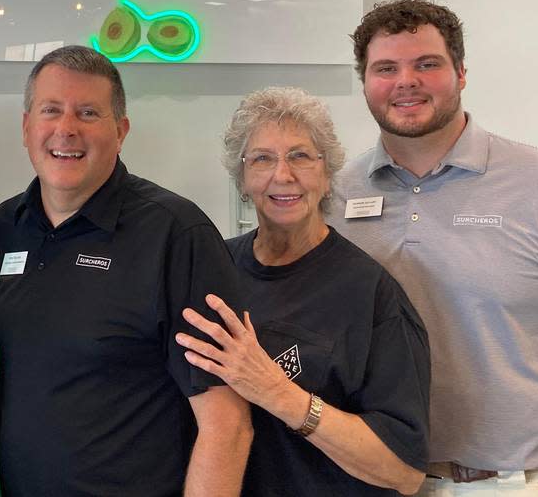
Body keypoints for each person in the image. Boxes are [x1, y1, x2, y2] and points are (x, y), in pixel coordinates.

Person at [331, 0, 538, 496]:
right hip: (380, 480)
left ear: (462, 73)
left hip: (526, 482)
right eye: (386, 68)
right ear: (364, 82)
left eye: (426, 64)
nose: (406, 81)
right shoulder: (336, 195)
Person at [0, 45, 252, 497]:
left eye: (88, 113)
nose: (66, 129)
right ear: (27, 127)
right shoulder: (4, 228)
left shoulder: (177, 235)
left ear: (121, 130)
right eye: (52, 110)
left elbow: (228, 422)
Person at [176, 87, 430, 496]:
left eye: (300, 156)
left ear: (326, 173)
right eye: (262, 158)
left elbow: (403, 470)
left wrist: (277, 392)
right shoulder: (210, 272)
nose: (283, 175)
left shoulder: (370, 292)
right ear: (241, 178)